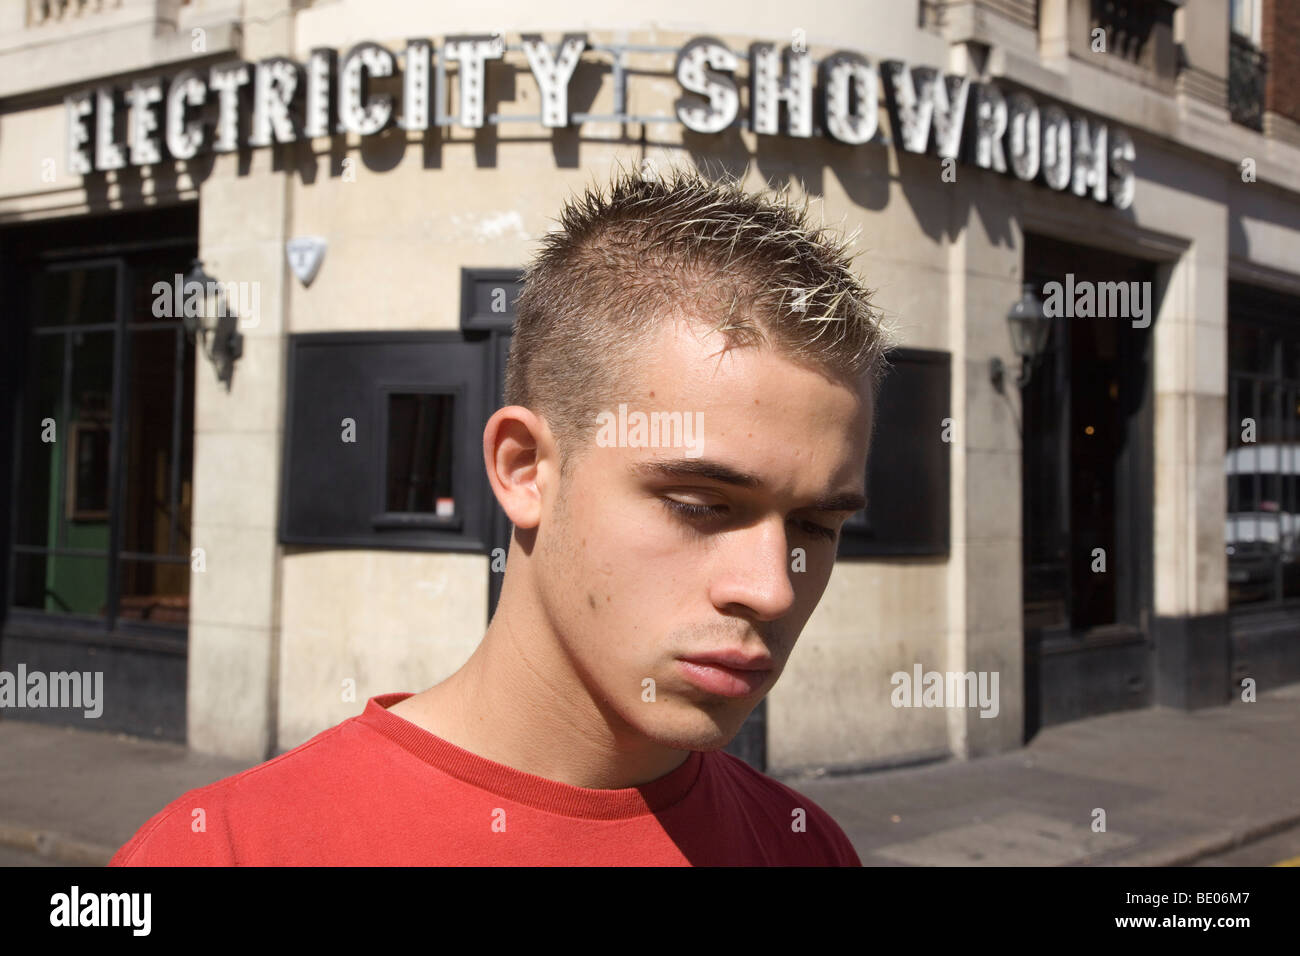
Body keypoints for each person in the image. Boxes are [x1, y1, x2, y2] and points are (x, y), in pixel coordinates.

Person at [111, 163, 891, 866]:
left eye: (817, 526)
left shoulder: (808, 847)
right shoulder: (231, 851)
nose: (773, 589)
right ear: (525, 470)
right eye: (700, 505)